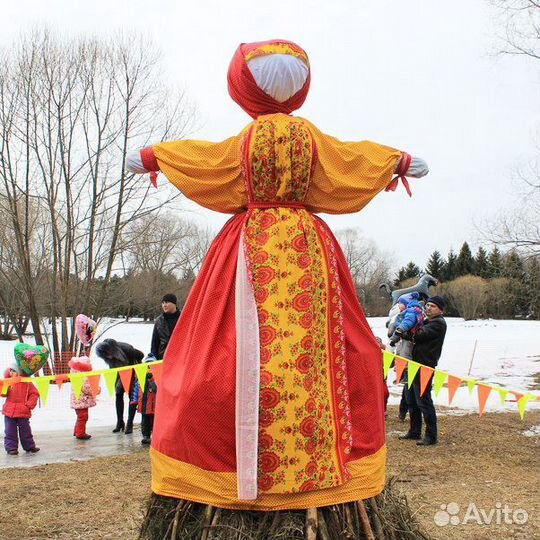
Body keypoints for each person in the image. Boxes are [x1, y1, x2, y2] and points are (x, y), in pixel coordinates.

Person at [126, 39, 428, 509]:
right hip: (310, 249)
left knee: (227, 351)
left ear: (242, 87)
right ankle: (317, 461)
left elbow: (208, 160)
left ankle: (241, 466)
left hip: (246, 247)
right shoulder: (309, 138)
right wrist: (397, 161)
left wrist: (156, 157)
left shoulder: (246, 144)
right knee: (327, 344)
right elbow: (348, 162)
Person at [400, 295, 447, 446]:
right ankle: (414, 431)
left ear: (441, 310)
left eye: (433, 306)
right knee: (411, 399)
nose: (428, 308)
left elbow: (418, 335)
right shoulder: (426, 321)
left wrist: (408, 332)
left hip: (424, 367)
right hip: (412, 364)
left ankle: (431, 436)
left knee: (423, 401)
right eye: (428, 305)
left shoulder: (438, 323)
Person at [95, 338, 144, 434]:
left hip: (132, 371)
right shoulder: (107, 355)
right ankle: (120, 422)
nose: (108, 358)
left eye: (108, 355)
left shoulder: (126, 348)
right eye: (105, 357)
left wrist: (136, 370)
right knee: (118, 395)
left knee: (132, 397)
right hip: (118, 373)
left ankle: (130, 424)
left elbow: (141, 355)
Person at [2, 363, 40, 455]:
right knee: (9, 430)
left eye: (14, 370)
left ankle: (29, 446)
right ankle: (11, 448)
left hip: (22, 410)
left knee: (25, 430)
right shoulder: (8, 381)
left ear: (19, 371)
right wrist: (4, 387)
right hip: (9, 410)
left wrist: (29, 404)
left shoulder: (27, 383)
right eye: (10, 370)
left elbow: (34, 394)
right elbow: (3, 394)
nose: (11, 372)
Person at [69, 356, 98, 440]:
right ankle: (80, 433)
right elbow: (86, 388)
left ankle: (77, 431)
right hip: (82, 401)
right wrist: (96, 390)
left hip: (77, 400)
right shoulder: (83, 375)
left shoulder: (75, 374)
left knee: (80, 417)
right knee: (83, 417)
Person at [132, 359, 158, 445]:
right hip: (143, 404)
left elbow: (156, 389)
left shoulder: (157, 378)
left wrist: (151, 380)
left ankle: (155, 436)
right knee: (144, 422)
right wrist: (134, 400)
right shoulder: (140, 377)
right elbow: (136, 390)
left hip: (154, 405)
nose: (148, 369)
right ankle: (145, 436)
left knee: (154, 421)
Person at [150, 294, 181, 360]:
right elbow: (154, 343)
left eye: (167, 302)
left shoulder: (183, 318)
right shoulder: (159, 321)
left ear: (174, 304)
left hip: (180, 358)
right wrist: (153, 357)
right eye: (163, 303)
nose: (164, 305)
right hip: (163, 358)